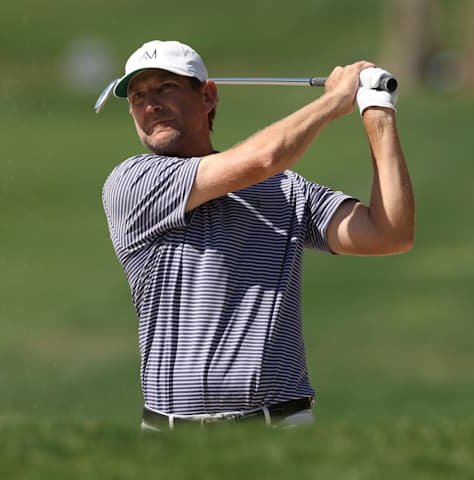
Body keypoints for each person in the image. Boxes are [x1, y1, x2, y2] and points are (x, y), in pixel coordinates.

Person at [101, 40, 414, 430]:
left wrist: (378, 112)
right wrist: (334, 101)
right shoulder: (134, 181)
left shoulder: (286, 191)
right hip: (172, 433)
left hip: (281, 426)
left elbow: (389, 233)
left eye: (167, 88)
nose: (151, 105)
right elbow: (260, 160)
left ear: (208, 96)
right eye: (138, 96)